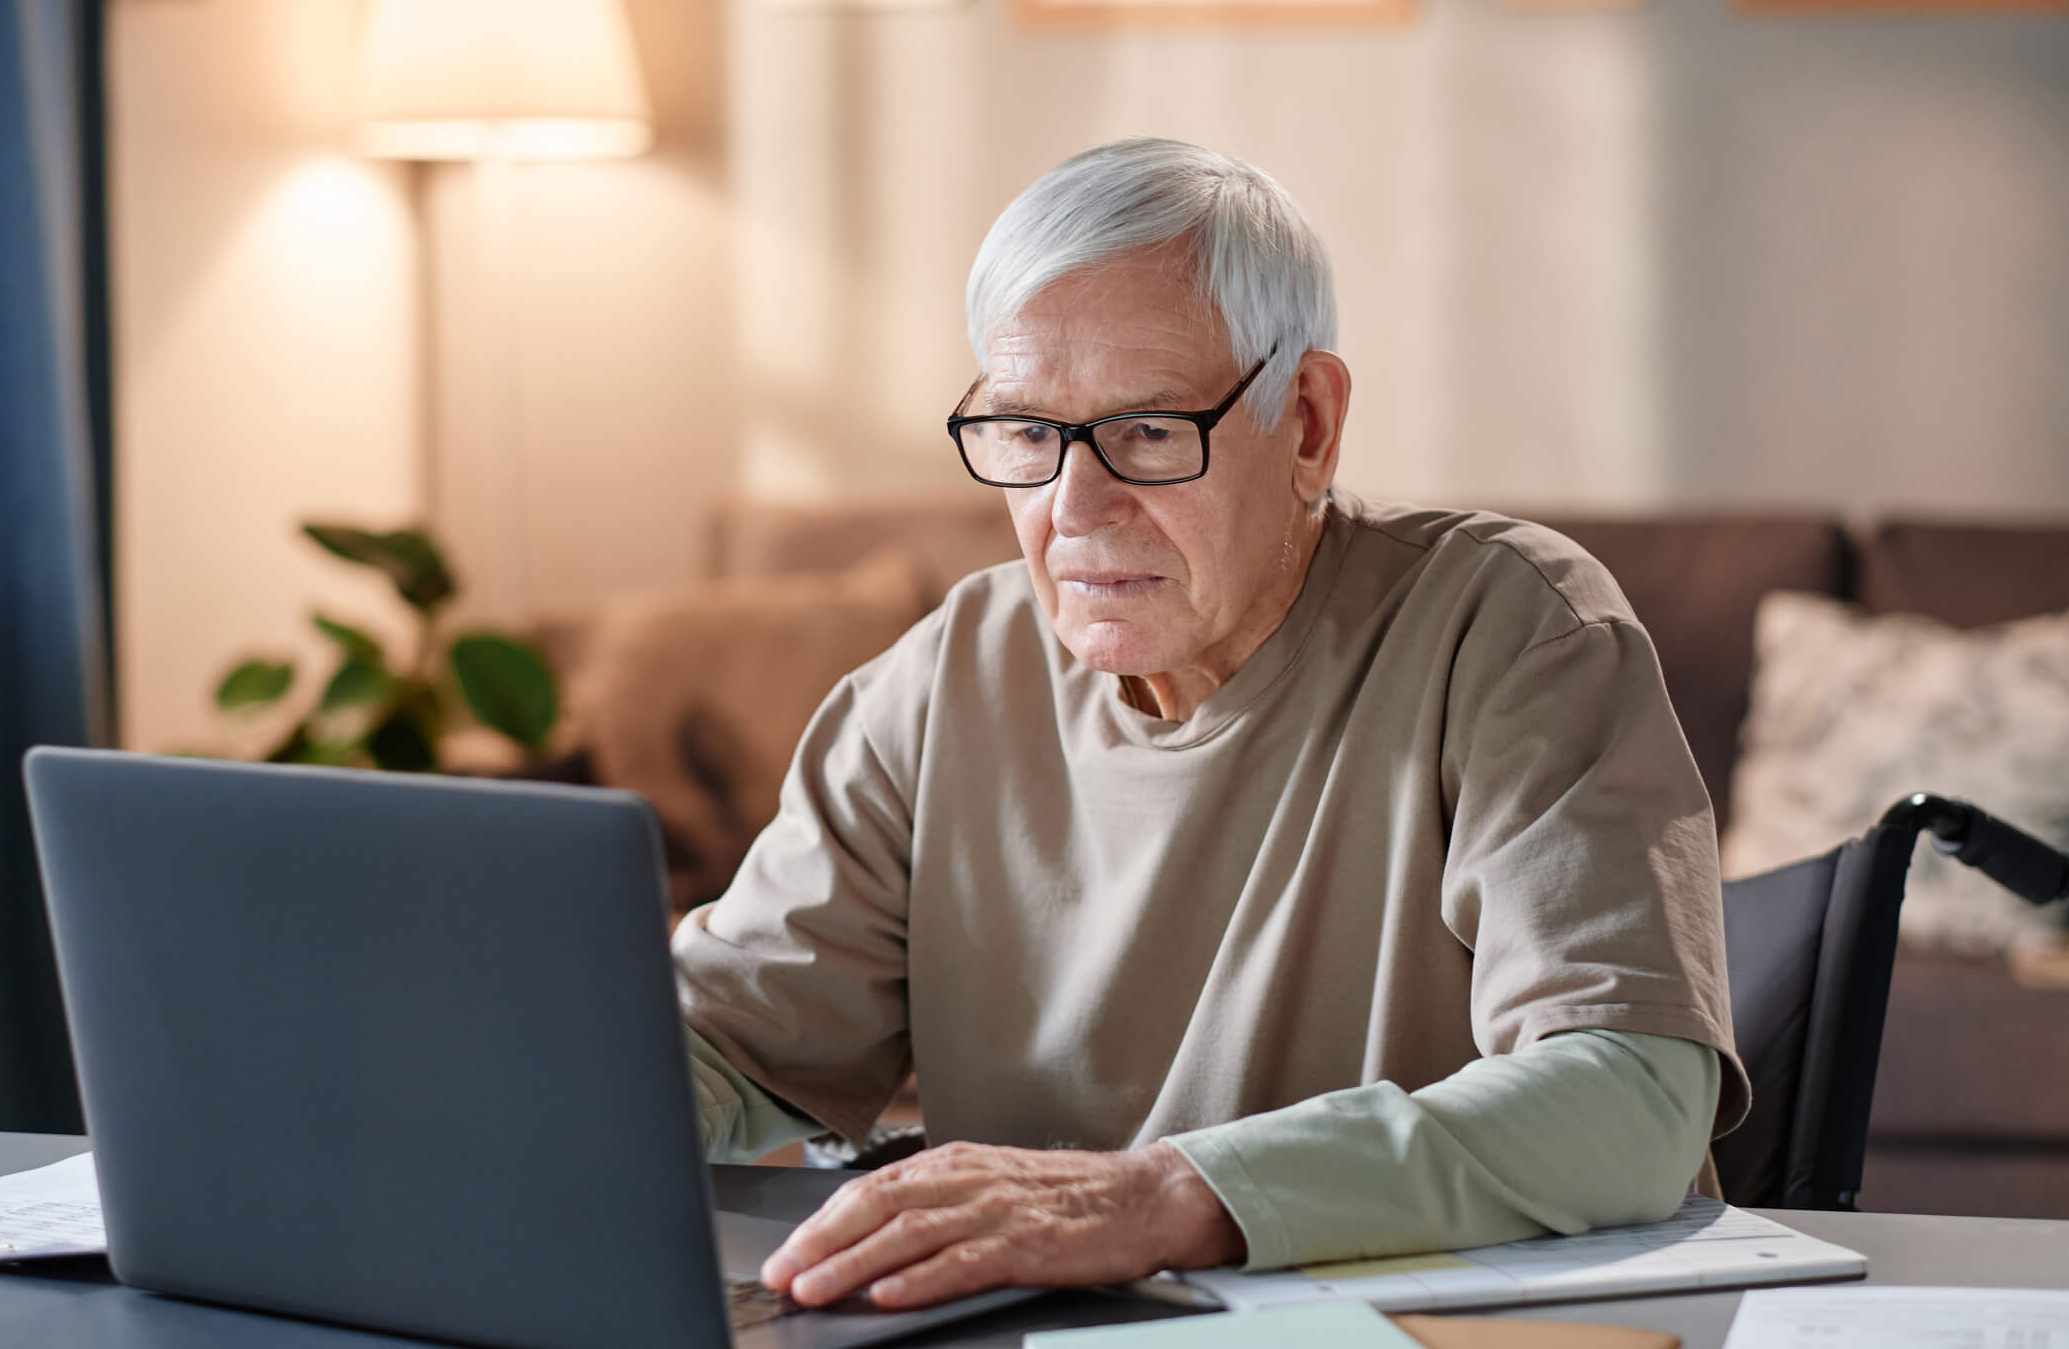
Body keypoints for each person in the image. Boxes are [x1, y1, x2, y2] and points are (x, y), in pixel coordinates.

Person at [672, 137, 1748, 1312]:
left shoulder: (1514, 629)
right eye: (1027, 431)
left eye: (1143, 429)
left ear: (1308, 425)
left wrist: (1157, 1198)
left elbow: (1629, 1095)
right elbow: (723, 1042)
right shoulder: (939, 682)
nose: (1073, 509)